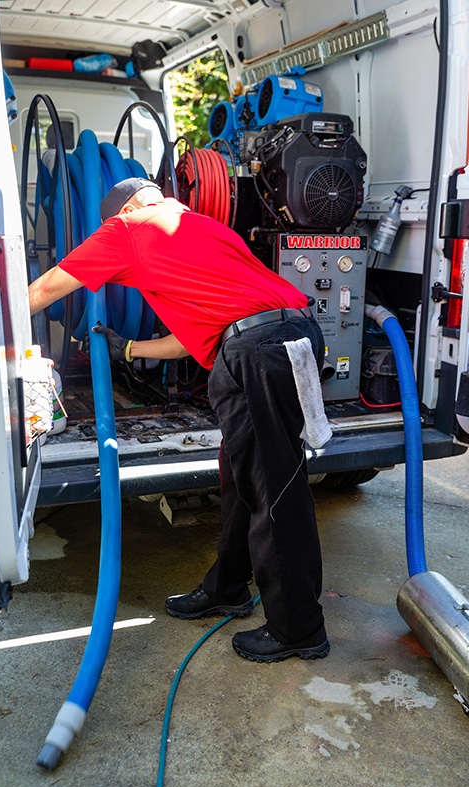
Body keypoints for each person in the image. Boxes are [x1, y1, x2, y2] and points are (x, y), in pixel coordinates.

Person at [28, 176, 331, 663]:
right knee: (239, 480)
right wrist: (127, 348)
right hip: (282, 339)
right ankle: (227, 587)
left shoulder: (127, 228)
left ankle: (299, 628)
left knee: (274, 490)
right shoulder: (203, 227)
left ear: (124, 209)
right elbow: (200, 336)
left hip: (256, 352)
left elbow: (46, 286)